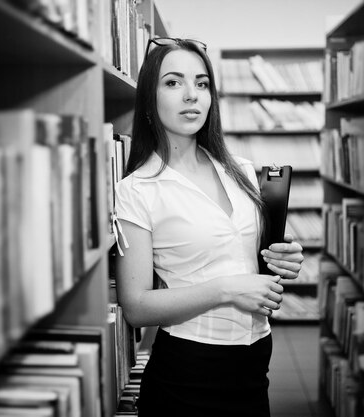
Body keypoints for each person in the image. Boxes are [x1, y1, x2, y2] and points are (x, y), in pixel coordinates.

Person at [112, 37, 304, 417]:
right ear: (149, 100)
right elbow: (135, 306)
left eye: (202, 84)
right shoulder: (137, 189)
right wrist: (226, 290)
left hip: (255, 359)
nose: (191, 95)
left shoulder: (242, 170)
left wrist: (283, 258)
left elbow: (246, 257)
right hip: (189, 368)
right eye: (173, 82)